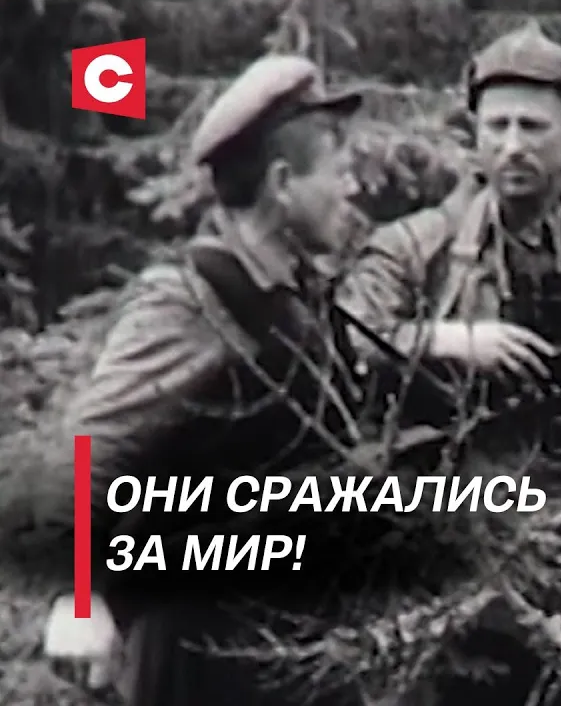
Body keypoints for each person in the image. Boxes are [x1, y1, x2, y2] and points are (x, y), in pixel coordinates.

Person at [339, 20, 561, 705]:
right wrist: (449, 339)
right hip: (450, 539)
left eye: (534, 127)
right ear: (474, 134)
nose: (513, 145)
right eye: (497, 126)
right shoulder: (416, 247)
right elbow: (346, 338)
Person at [62, 53, 368, 706]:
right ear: (282, 183)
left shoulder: (293, 294)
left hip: (288, 652)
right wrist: (82, 597)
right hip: (201, 660)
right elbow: (86, 448)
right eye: (339, 171)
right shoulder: (192, 302)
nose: (354, 189)